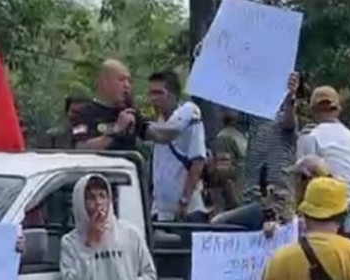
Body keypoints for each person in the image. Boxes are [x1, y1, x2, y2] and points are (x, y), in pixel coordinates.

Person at [211, 72, 299, 229]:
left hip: (274, 203)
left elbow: (289, 122)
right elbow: (231, 110)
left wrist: (290, 98)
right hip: (253, 200)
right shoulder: (253, 121)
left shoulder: (281, 120)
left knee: (218, 223)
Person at [71, 59, 180, 152]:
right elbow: (81, 148)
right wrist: (116, 131)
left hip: (128, 174)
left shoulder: (131, 111)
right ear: (104, 81)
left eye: (129, 81)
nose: (127, 85)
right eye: (121, 80)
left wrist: (158, 111)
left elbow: (162, 135)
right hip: (98, 174)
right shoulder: (81, 112)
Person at [147, 70, 208, 222]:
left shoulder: (188, 114)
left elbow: (198, 161)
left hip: (187, 210)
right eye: (151, 93)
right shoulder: (157, 120)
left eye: (158, 93)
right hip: (160, 210)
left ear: (172, 94)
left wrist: (185, 199)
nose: (153, 99)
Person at [297, 85, 350, 203]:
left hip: (327, 204)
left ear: (313, 111)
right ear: (338, 110)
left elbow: (302, 179)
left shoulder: (310, 136)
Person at [209, 106, 247, 212]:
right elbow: (224, 176)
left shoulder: (239, 135)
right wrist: (236, 206)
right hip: (234, 205)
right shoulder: (225, 138)